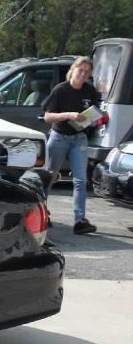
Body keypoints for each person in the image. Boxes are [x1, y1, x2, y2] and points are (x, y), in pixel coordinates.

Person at [43, 56, 101, 235]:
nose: (83, 74)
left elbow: (95, 114)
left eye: (87, 72)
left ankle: (80, 220)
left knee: (80, 180)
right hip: (59, 136)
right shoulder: (61, 90)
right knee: (49, 177)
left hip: (80, 138)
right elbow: (48, 116)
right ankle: (42, 214)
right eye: (80, 70)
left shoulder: (90, 91)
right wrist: (69, 115)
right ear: (73, 70)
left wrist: (92, 120)